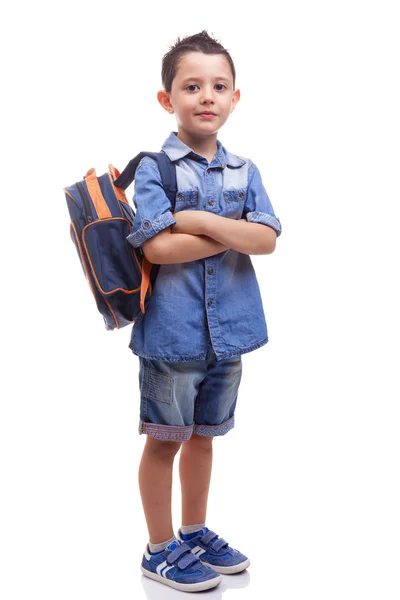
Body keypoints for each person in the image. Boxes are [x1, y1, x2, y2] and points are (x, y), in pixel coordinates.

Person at [126, 30, 282, 592]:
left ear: (236, 97)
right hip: (173, 334)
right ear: (168, 99)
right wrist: (233, 232)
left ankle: (193, 529)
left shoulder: (245, 170)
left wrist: (201, 221)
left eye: (219, 86)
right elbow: (158, 248)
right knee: (165, 438)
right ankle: (159, 547)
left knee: (204, 435)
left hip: (228, 335)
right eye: (192, 86)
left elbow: (266, 240)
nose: (207, 96)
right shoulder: (154, 170)